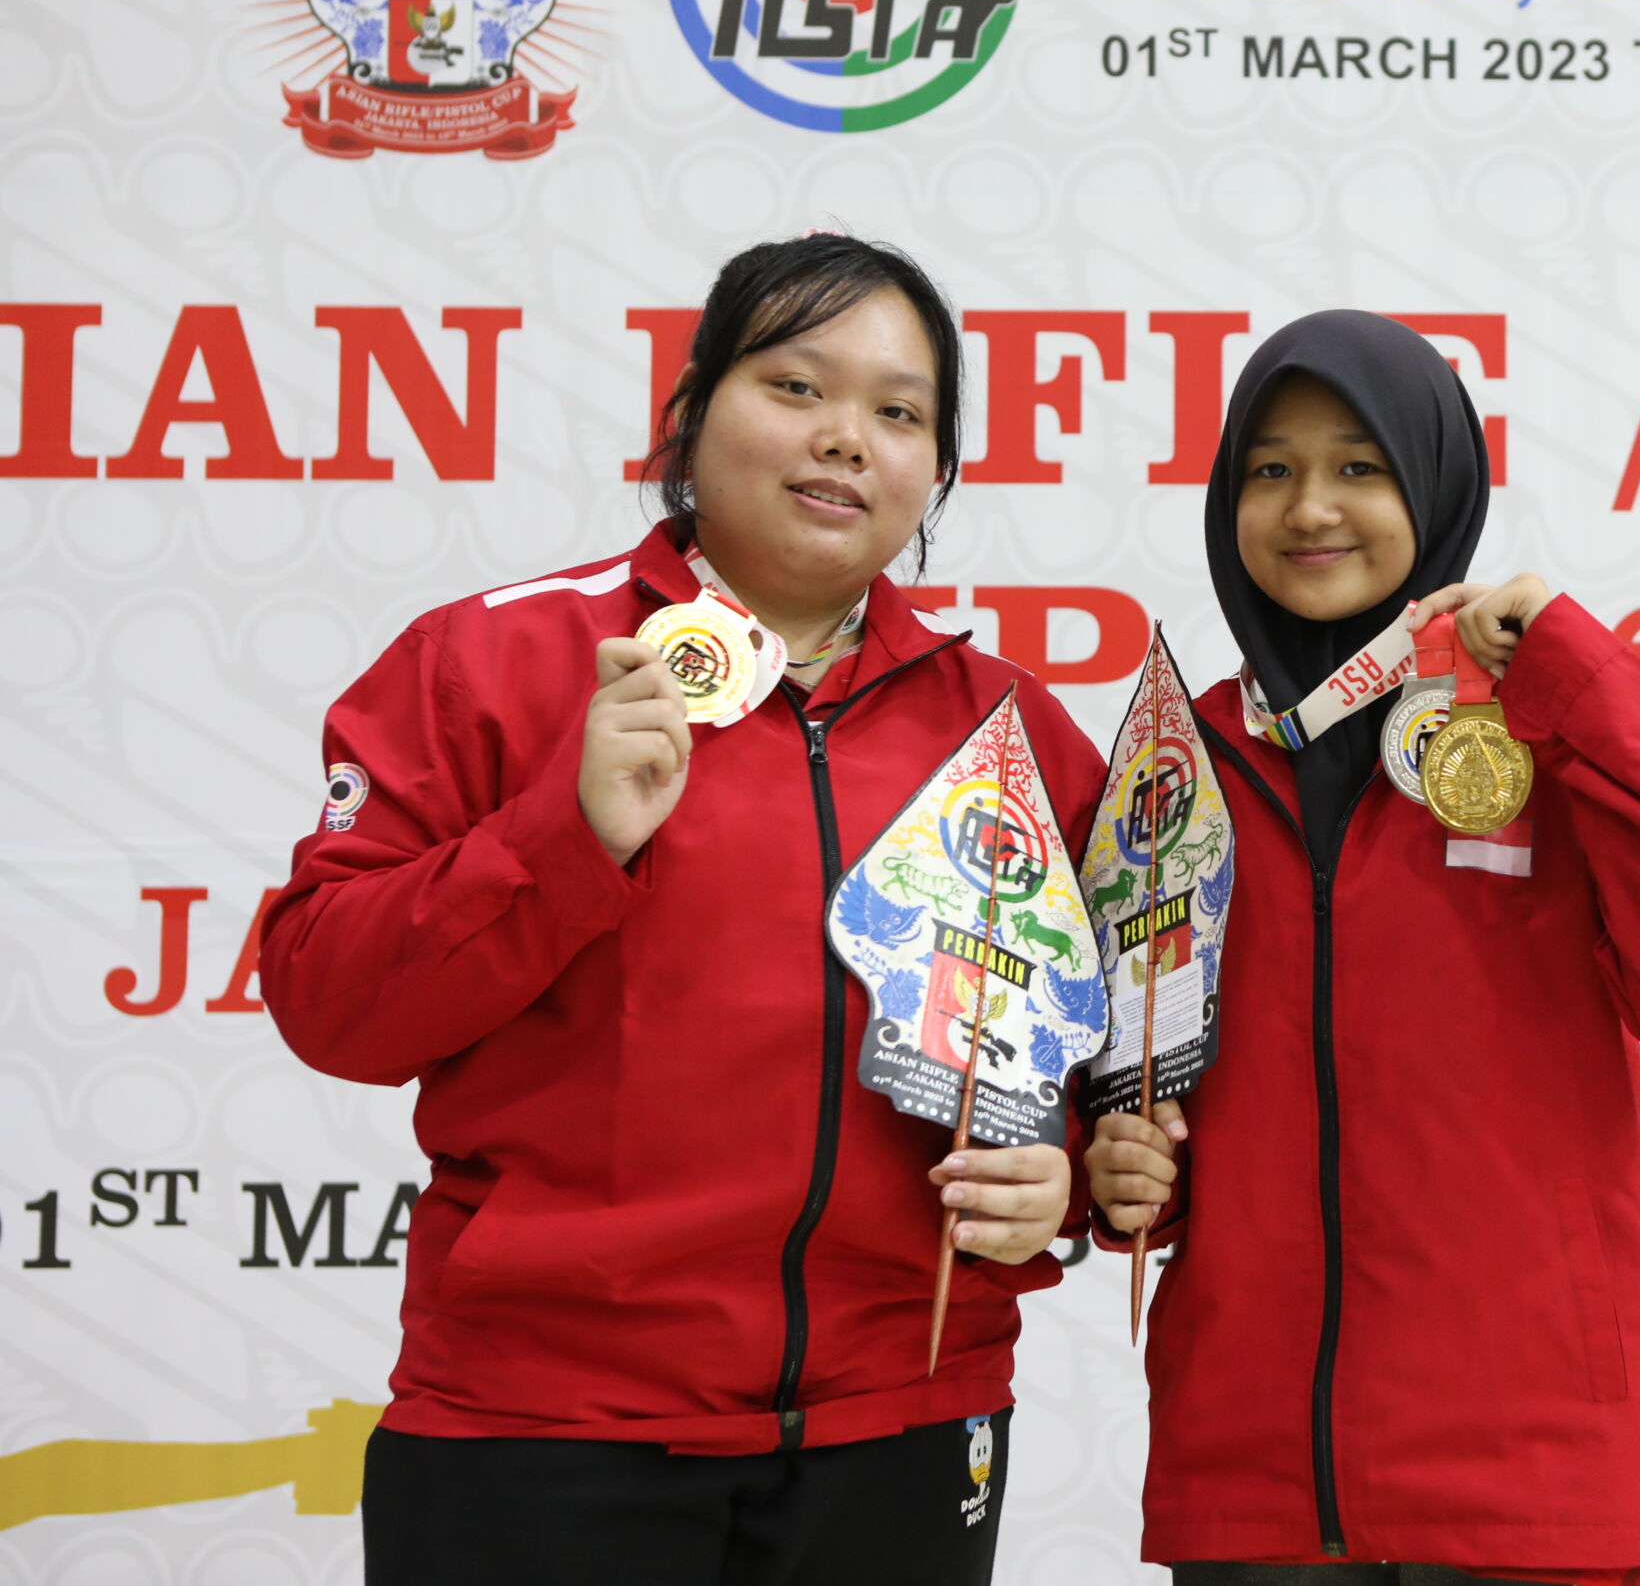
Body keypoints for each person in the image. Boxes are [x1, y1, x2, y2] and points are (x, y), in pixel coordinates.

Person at [261, 234, 1104, 1586]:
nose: (846, 438)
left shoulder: (1008, 732)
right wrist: (565, 832)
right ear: (695, 408)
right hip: (544, 1432)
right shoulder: (492, 660)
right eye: (796, 385)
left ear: (936, 470)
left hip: (903, 1425)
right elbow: (326, 999)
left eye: (899, 413)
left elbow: (1102, 1063)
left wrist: (1061, 1172)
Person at [1085, 310, 1640, 1585]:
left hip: (1534, 1489)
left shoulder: (1548, 729)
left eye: (1359, 466)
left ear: (1436, 485)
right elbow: (1164, 1083)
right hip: (1253, 1490)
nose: (1311, 507)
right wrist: (1133, 1165)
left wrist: (1581, 681)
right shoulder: (1174, 769)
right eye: (1270, 468)